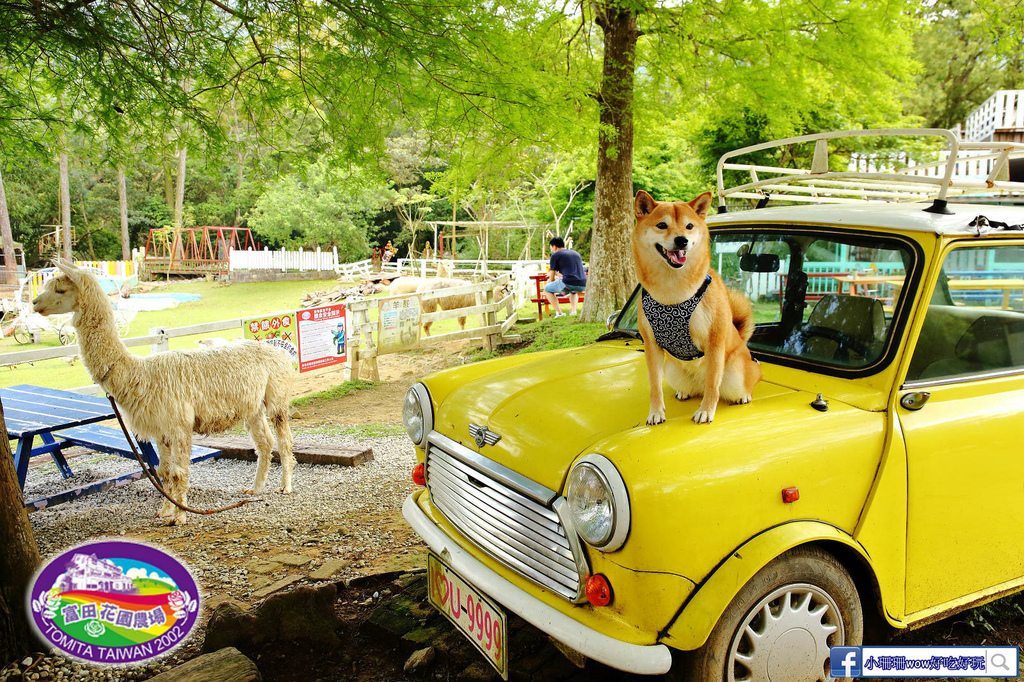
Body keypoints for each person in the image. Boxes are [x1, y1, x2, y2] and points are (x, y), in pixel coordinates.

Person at [543, 237, 587, 317]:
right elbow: (569, 273)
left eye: (551, 248)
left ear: (554, 246)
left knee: (547, 289)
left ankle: (560, 313)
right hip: (582, 284)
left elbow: (551, 277)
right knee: (572, 291)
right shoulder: (575, 253)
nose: (551, 250)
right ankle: (573, 312)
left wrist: (550, 280)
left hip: (568, 284)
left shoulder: (555, 255)